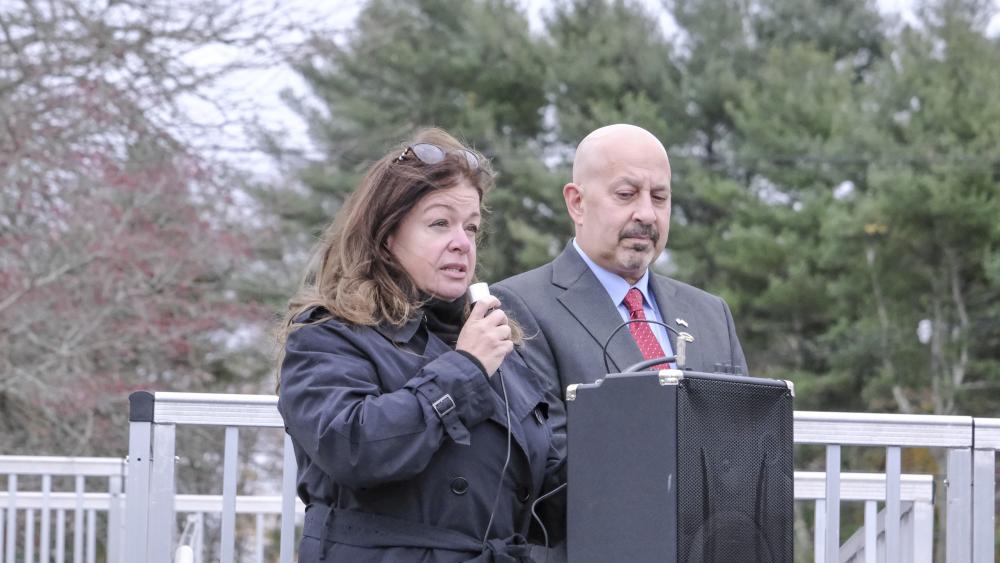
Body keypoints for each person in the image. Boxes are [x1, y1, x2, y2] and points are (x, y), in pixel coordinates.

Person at [276, 129, 564, 563]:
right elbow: (353, 448)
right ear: (386, 235)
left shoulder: (495, 340)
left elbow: (545, 495)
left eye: (471, 228)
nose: (461, 243)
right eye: (439, 223)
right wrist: (466, 368)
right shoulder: (329, 334)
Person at [494, 122, 748, 452]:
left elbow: (747, 442)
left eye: (660, 197)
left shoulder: (711, 314)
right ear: (577, 203)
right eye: (626, 195)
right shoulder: (520, 308)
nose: (646, 214)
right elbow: (548, 456)